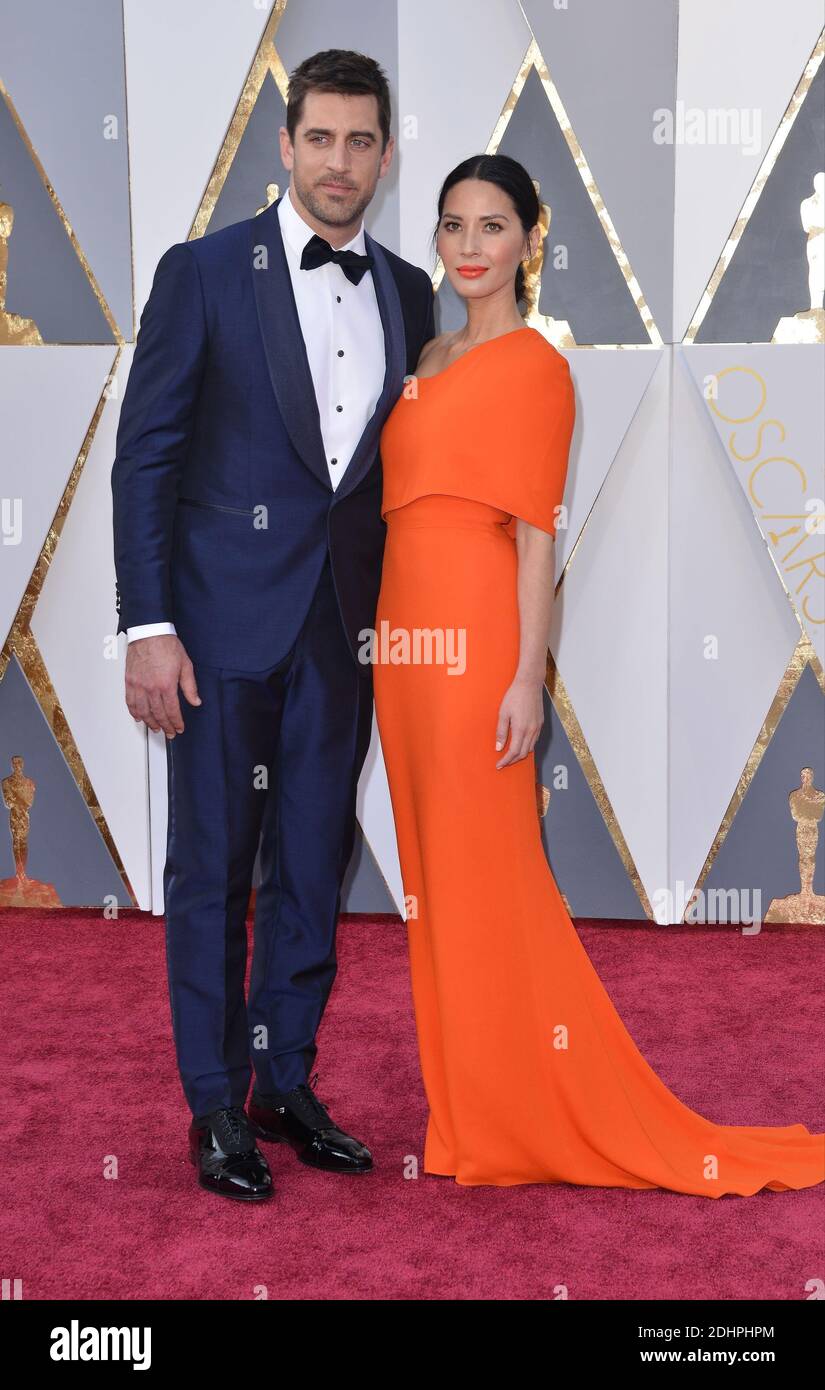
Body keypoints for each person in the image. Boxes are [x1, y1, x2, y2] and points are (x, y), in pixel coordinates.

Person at [372, 153, 825, 1196]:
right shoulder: (426, 355)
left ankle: (521, 1112)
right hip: (399, 647)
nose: (470, 246)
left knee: (491, 876)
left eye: (493, 226)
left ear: (531, 241)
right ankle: (469, 1110)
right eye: (453, 225)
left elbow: (537, 535)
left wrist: (524, 675)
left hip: (475, 642)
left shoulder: (538, 367)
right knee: (435, 884)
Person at [111, 50, 435, 1201]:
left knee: (311, 864)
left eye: (361, 141)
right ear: (286, 145)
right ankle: (213, 1104)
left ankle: (280, 1079)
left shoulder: (409, 292)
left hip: (342, 631)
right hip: (214, 632)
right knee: (213, 868)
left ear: (385, 157)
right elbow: (147, 455)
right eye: (321, 138)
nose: (340, 161)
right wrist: (147, 624)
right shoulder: (202, 271)